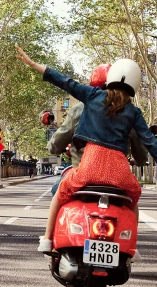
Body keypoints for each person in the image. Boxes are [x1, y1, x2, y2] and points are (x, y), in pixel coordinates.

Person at [14, 45, 157, 252]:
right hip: (119, 172)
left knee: (60, 193)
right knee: (132, 200)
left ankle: (47, 239)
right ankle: (131, 248)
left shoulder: (92, 96)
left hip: (90, 165)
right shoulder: (134, 112)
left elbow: (64, 81)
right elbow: (150, 141)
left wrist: (33, 64)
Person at [47, 64, 149, 195]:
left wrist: (53, 146)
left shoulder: (78, 109)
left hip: (83, 174)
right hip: (117, 179)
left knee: (56, 190)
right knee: (132, 200)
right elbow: (141, 154)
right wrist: (139, 160)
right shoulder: (130, 112)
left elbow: (58, 141)